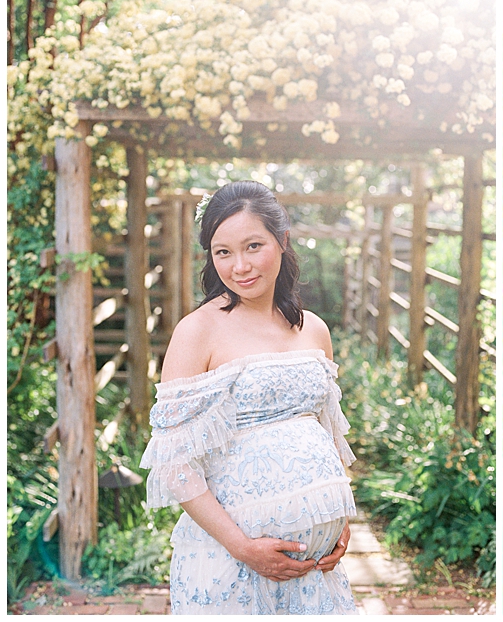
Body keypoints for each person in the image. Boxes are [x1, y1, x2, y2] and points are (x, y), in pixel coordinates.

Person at [139, 180, 358, 614]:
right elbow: (176, 466)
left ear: (282, 241)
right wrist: (243, 547)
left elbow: (327, 436)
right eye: (223, 252)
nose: (239, 266)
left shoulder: (314, 329)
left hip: (316, 573)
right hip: (230, 565)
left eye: (253, 245)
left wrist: (341, 522)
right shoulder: (197, 332)